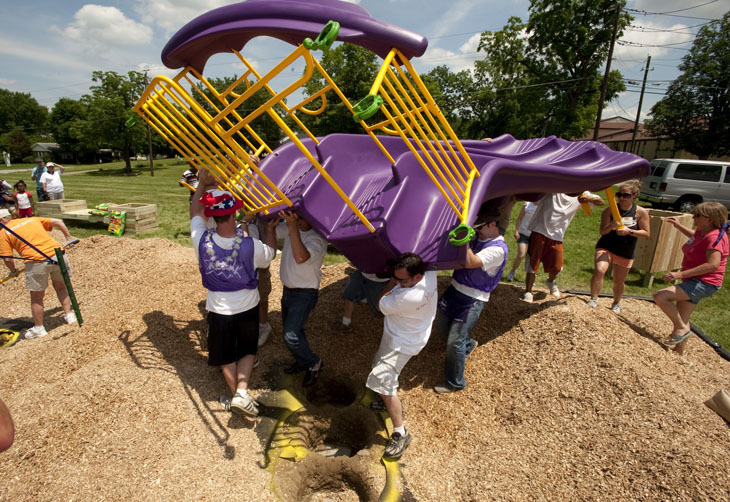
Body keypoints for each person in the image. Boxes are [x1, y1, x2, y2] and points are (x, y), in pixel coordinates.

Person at [190, 169, 277, 416]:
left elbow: (195, 213)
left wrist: (201, 185)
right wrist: (270, 230)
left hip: (218, 309)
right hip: (248, 307)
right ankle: (241, 393)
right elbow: (270, 254)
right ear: (234, 214)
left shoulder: (201, 240)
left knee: (226, 356)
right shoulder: (250, 245)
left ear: (213, 217)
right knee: (247, 350)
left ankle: (238, 396)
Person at [366, 252, 437, 460]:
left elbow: (380, 304)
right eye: (396, 277)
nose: (398, 282)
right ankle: (385, 402)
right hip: (408, 335)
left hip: (401, 343)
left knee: (383, 382)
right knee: (377, 365)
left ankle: (400, 433)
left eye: (402, 280)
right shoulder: (430, 274)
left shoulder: (405, 297)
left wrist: (390, 283)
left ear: (417, 277)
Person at [433, 209, 507, 394]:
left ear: (493, 225)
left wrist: (463, 239)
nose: (476, 231)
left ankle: (455, 383)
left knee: (454, 341)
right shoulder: (478, 239)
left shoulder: (498, 249)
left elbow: (470, 262)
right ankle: (469, 344)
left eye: (479, 227)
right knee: (441, 327)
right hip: (454, 290)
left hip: (472, 299)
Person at [653, 202, 728, 351]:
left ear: (709, 219)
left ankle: (681, 328)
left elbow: (713, 264)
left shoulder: (714, 238)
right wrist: (679, 226)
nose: (693, 217)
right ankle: (679, 352)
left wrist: (679, 274)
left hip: (704, 283)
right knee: (682, 317)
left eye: (697, 215)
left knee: (660, 296)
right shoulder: (703, 231)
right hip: (695, 280)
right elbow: (696, 238)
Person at [0, 208, 77, 339]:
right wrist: (68, 238)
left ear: (2, 220)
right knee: (61, 287)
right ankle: (69, 315)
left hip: (36, 261)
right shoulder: (31, 219)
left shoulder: (3, 233)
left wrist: (13, 271)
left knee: (37, 297)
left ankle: (39, 328)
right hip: (58, 255)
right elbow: (58, 221)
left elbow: (7, 259)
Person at [522, 192, 604, 303]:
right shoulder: (553, 189)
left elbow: (601, 201)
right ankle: (528, 292)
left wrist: (588, 199)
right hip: (539, 230)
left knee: (557, 267)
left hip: (557, 235)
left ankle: (550, 281)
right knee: (533, 264)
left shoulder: (580, 194)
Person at [279, 209, 328, 387]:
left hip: (304, 294)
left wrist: (292, 227)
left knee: (290, 335)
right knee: (295, 331)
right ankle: (302, 361)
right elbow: (269, 231)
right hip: (288, 291)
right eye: (297, 217)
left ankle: (314, 363)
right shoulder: (292, 228)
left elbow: (301, 257)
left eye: (302, 218)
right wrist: (269, 226)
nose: (298, 220)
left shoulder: (317, 239)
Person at [588, 180, 650, 313]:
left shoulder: (640, 212)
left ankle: (616, 302)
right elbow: (602, 231)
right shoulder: (609, 210)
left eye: (625, 195)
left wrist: (630, 231)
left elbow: (646, 233)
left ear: (634, 195)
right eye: (619, 194)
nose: (621, 198)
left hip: (625, 250)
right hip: (607, 246)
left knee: (619, 281)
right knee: (600, 270)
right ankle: (593, 298)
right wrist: (611, 226)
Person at [239, 213, 273, 346]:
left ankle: (263, 325)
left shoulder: (262, 220)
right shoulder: (239, 224)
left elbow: (269, 252)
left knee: (262, 297)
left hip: (260, 265)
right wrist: (244, 222)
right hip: (245, 269)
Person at [331, 268, 389, 332]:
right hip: (362, 273)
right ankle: (345, 323)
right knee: (349, 294)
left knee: (379, 309)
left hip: (380, 280)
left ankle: (388, 330)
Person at [505, 201, 537, 282]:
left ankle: (529, 278)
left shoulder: (543, 206)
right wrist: (516, 230)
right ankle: (512, 271)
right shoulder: (527, 204)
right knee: (521, 254)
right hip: (523, 233)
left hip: (535, 235)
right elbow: (519, 218)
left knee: (532, 258)